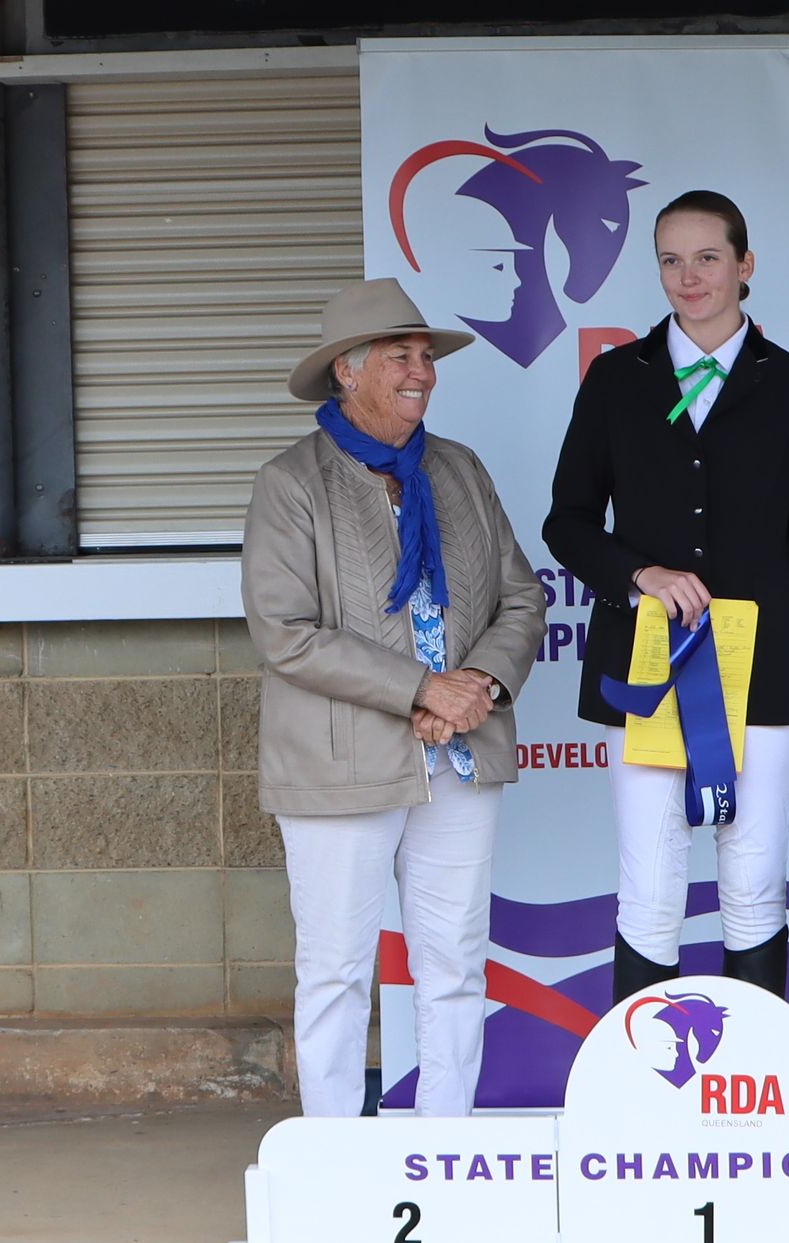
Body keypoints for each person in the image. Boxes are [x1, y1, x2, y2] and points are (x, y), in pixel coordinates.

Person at [542, 190, 789, 1003]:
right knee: (651, 887)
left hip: (770, 667)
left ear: (744, 265)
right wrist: (639, 574)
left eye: (706, 257)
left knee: (754, 880)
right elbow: (568, 522)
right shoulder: (617, 379)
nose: (688, 277)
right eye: (669, 259)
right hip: (654, 659)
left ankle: (750, 1089)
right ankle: (644, 1090)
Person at [242, 278, 547, 1116]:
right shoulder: (290, 483)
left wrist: (474, 686)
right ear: (346, 370)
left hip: (458, 753)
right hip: (340, 765)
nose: (422, 372)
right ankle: (336, 1158)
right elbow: (285, 631)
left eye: (425, 357)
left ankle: (443, 1151)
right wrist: (420, 686)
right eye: (400, 356)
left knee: (455, 962)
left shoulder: (458, 469)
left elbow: (521, 598)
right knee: (338, 967)